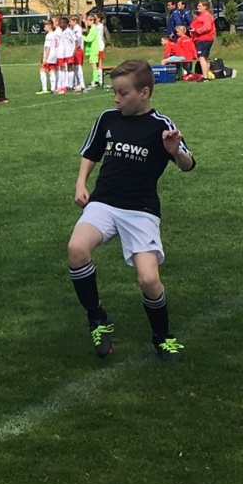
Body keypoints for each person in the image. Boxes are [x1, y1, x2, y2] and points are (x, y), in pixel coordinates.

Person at [67, 59, 197, 362]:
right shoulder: (108, 119)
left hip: (141, 210)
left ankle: (162, 337)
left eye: (123, 93)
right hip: (104, 202)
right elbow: (91, 153)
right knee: (76, 248)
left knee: (149, 280)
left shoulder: (162, 126)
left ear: (144, 93)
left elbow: (188, 164)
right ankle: (97, 318)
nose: (116, 99)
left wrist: (175, 151)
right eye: (114, 92)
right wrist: (80, 182)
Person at [189, 0, 216, 81]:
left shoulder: (206, 16)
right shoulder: (201, 15)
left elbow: (207, 27)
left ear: (205, 7)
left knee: (202, 58)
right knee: (205, 58)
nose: (198, 7)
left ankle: (205, 77)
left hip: (204, 39)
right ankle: (206, 75)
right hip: (201, 39)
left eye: (200, 6)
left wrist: (196, 30)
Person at [37, 18, 58, 94]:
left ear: (50, 26)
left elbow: (48, 47)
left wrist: (45, 58)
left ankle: (44, 88)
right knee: (52, 71)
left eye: (45, 26)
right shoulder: (55, 34)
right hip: (54, 55)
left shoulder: (49, 36)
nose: (44, 28)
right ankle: (53, 88)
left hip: (49, 55)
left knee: (42, 70)